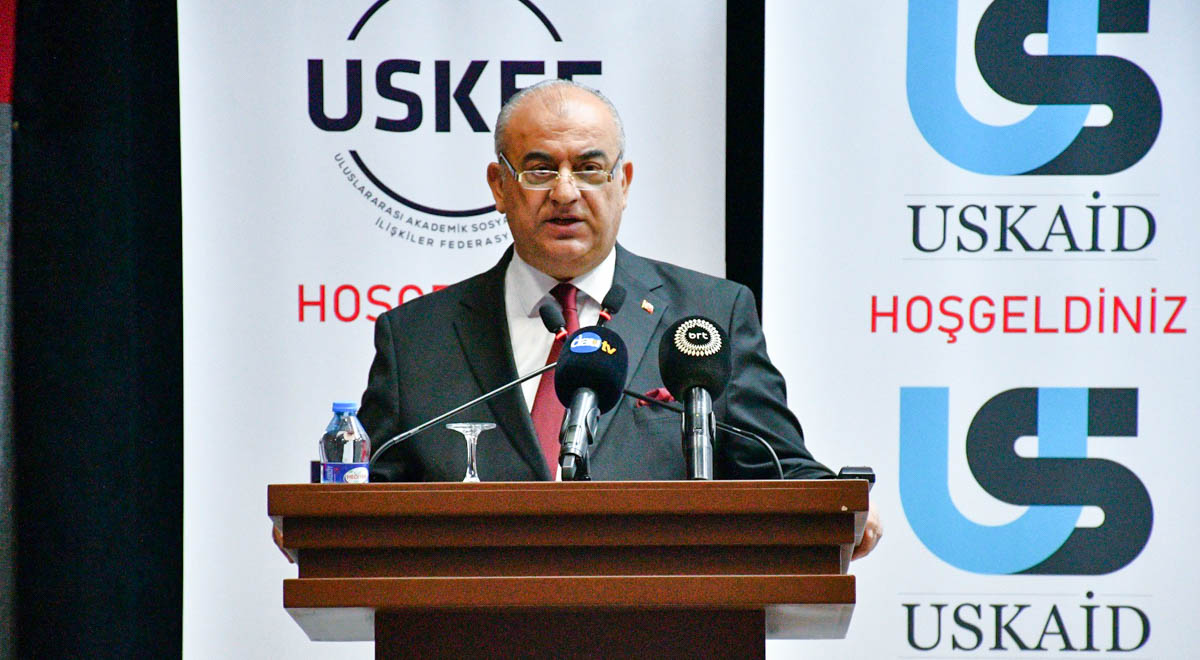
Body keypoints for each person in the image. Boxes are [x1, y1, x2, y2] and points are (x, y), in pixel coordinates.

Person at [358, 79, 881, 558]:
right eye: (540, 170)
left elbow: (777, 465)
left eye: (589, 169)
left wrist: (838, 505)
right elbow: (364, 501)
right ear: (499, 185)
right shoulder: (416, 338)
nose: (565, 193)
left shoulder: (710, 313)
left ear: (623, 183)